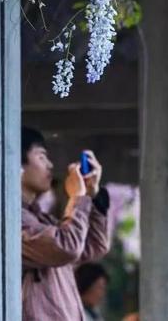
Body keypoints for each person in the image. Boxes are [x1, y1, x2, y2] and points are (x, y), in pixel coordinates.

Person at [21, 127, 112, 320]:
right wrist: (77, 198)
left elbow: (93, 247)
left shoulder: (40, 219)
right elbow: (67, 247)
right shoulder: (15, 220)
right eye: (41, 157)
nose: (50, 165)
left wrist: (92, 196)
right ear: (17, 165)